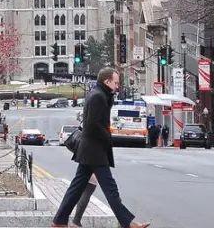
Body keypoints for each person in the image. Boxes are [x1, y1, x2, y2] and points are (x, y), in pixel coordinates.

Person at [51, 67, 149, 228]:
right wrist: (108, 137)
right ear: (107, 81)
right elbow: (93, 125)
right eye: (116, 83)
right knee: (110, 189)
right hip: (94, 151)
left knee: (76, 187)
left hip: (90, 150)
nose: (118, 86)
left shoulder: (100, 94)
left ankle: (59, 221)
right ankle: (128, 223)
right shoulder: (98, 96)